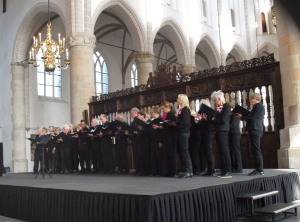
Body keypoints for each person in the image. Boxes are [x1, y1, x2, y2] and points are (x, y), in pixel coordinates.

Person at [236, 93, 265, 176]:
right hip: (255, 130)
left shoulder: (258, 106)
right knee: (255, 150)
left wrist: (241, 117)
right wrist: (243, 115)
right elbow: (251, 116)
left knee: (256, 150)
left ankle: (259, 170)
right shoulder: (257, 107)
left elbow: (252, 118)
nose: (250, 101)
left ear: (255, 99)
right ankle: (258, 169)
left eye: (250, 99)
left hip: (255, 130)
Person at [210, 91, 232, 178]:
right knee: (221, 151)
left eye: (216, 100)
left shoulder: (226, 106)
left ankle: (227, 170)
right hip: (218, 130)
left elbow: (223, 120)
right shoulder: (219, 107)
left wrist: (213, 119)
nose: (215, 102)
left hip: (223, 130)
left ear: (219, 99)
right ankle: (224, 169)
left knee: (224, 150)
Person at [176, 94, 193, 178]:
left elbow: (186, 123)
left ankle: (189, 171)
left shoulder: (185, 110)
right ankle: (185, 170)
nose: (177, 100)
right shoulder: (181, 110)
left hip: (184, 133)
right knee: (182, 152)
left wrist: (176, 121)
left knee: (185, 152)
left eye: (178, 99)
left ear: (182, 100)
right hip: (181, 133)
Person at [130, 107, 150, 175]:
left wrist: (138, 131)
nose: (131, 115)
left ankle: (144, 170)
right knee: (138, 156)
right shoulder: (134, 121)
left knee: (143, 156)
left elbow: (145, 130)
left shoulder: (141, 121)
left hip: (143, 141)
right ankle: (139, 169)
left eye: (132, 113)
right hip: (136, 140)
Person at [197, 99, 215, 176]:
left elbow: (212, 123)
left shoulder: (211, 113)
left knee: (208, 151)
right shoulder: (201, 113)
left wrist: (206, 119)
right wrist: (198, 120)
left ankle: (211, 169)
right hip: (202, 134)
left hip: (208, 133)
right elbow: (198, 124)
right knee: (205, 151)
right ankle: (207, 169)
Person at [160, 101, 177, 177]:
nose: (163, 110)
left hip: (171, 137)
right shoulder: (165, 115)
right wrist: (162, 125)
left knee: (171, 155)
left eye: (163, 108)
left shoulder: (171, 114)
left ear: (167, 107)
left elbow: (174, 124)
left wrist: (167, 122)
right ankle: (167, 171)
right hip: (166, 137)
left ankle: (172, 172)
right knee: (166, 155)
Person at [229, 104, 243, 173]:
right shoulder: (232, 114)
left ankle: (239, 168)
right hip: (232, 134)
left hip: (235, 134)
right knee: (232, 151)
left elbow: (233, 125)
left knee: (236, 151)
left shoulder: (235, 114)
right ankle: (234, 167)